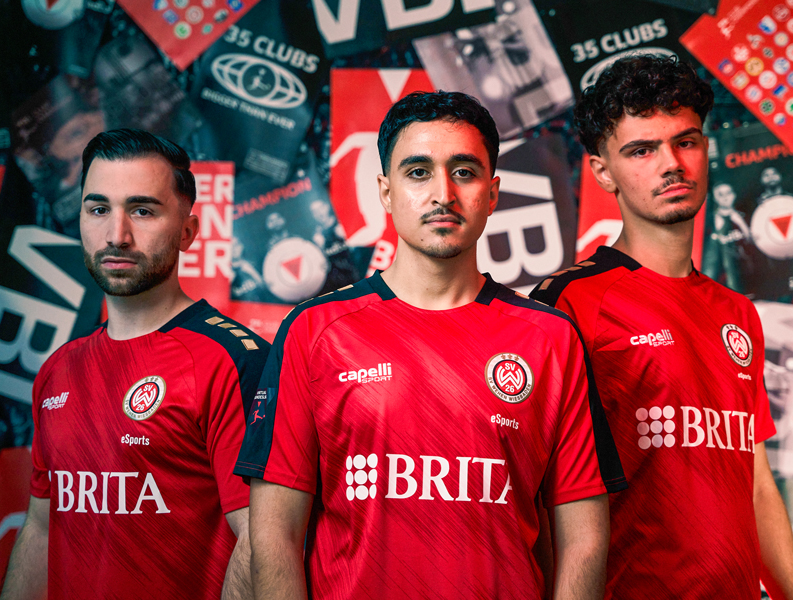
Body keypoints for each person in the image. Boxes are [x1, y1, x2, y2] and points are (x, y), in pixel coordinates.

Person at [235, 91, 626, 600]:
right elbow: (273, 538)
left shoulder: (550, 338)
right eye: (418, 172)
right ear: (386, 191)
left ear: (492, 193)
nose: (443, 192)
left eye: (464, 171)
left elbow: (584, 542)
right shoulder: (315, 332)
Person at [530, 55, 793, 599]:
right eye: (642, 150)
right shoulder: (568, 303)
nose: (671, 164)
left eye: (685, 142)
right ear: (603, 171)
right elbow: (542, 497)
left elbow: (756, 487)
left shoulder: (737, 312)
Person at [0, 128, 271, 600]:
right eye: (98, 209)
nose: (116, 235)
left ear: (187, 231)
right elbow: (41, 530)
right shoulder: (58, 371)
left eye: (142, 210)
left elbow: (262, 541)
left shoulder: (233, 360)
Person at [701, 182, 750, 293]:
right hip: (723, 278)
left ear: (734, 195)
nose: (725, 198)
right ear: (715, 198)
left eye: (728, 193)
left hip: (746, 274)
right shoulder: (709, 221)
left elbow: (752, 241)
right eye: (720, 194)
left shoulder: (744, 216)